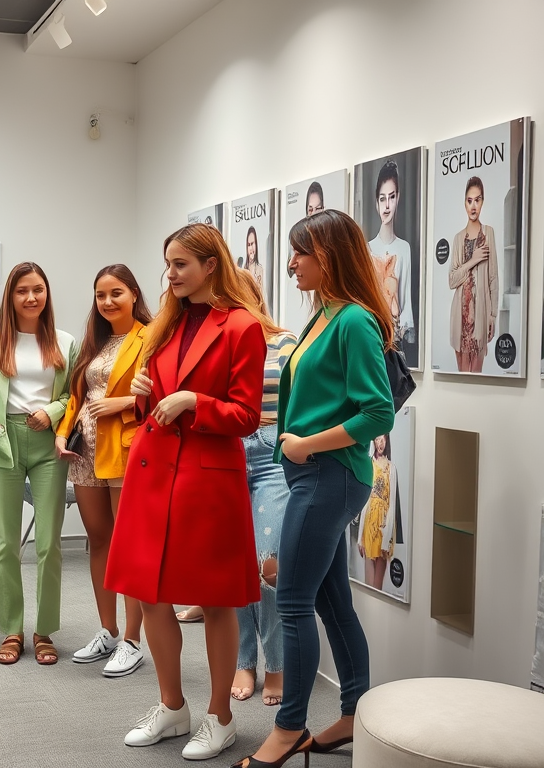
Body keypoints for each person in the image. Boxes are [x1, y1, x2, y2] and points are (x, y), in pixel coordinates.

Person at [106, 223, 266, 761]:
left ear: (210, 265)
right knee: (149, 593)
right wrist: (143, 393)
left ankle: (220, 716)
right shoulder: (165, 325)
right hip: (153, 471)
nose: (170, 275)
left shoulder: (242, 326)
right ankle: (172, 708)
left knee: (216, 600)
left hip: (206, 477)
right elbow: (154, 399)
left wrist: (194, 402)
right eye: (167, 265)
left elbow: (246, 416)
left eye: (180, 265)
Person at [241, 209, 394, 767]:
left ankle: (288, 730)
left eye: (299, 253)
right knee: (331, 603)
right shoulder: (322, 316)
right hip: (313, 476)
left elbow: (379, 413)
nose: (290, 264)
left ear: (327, 256)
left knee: (293, 600)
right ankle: (353, 713)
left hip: (328, 477)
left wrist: (306, 444)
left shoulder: (353, 320)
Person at [0, 262, 77, 666]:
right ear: (9, 295)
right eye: (22, 290)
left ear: (47, 294)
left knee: (49, 544)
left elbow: (76, 397)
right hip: (0, 440)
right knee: (6, 543)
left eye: (38, 289)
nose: (31, 297)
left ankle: (44, 630)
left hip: (47, 442)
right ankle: (12, 629)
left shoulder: (65, 341)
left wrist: (55, 409)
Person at [55, 264, 151, 677]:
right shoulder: (93, 340)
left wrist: (124, 404)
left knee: (128, 544)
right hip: (85, 452)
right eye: (100, 295)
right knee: (98, 540)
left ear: (133, 294)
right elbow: (77, 394)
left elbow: (161, 392)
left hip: (124, 449)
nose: (107, 301)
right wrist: (62, 432)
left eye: (116, 293)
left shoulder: (150, 336)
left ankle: (132, 639)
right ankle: (107, 630)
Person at [230, 269, 296, 708]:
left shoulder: (285, 341)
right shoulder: (219, 341)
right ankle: (244, 659)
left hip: (272, 452)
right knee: (234, 566)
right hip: (229, 452)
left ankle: (276, 664)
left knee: (267, 564)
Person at [449, 176, 498, 373]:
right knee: (462, 377)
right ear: (464, 204)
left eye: (477, 200)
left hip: (480, 315)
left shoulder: (489, 234)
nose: (473, 206)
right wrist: (474, 259)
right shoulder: (458, 238)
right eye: (469, 201)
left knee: (476, 377)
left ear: (482, 202)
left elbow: (493, 278)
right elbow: (452, 280)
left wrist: (493, 315)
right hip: (460, 316)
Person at [367, 159, 414, 346]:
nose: (387, 206)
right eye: (382, 198)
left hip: (395, 341)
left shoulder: (404, 248)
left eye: (392, 197)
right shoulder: (367, 249)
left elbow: (405, 300)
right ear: (376, 202)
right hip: (370, 337)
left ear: (398, 197)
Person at [358, 434, 396, 591]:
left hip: (383, 524)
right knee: (368, 583)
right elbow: (365, 501)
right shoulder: (369, 465)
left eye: (383, 439)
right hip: (369, 522)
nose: (380, 443)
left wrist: (387, 537)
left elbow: (392, 502)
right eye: (377, 439)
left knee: (377, 586)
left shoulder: (391, 468)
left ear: (387, 441)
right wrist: (360, 536)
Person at [244, 226, 264, 290]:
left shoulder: (259, 269)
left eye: (252, 244)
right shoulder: (243, 270)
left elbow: (261, 292)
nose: (251, 248)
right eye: (249, 245)